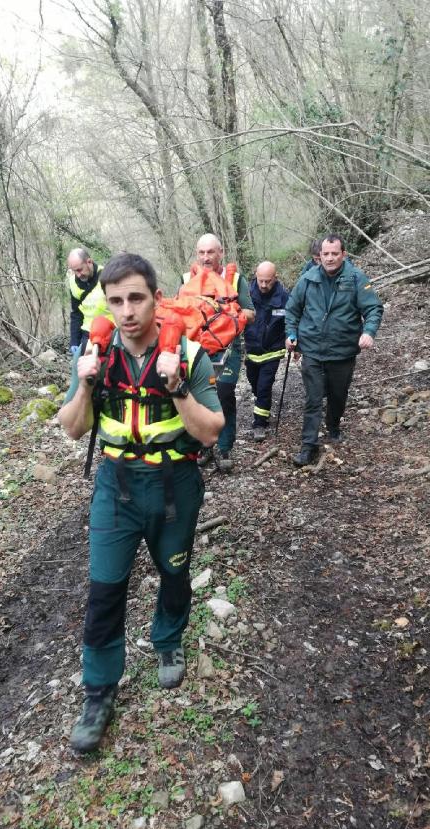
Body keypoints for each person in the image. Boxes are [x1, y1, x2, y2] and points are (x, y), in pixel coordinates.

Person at [58, 252, 224, 753]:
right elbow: (71, 427)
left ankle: (168, 640)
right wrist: (85, 384)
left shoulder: (191, 356)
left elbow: (212, 432)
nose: (127, 311)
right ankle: (99, 690)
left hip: (175, 484)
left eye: (136, 298)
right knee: (104, 589)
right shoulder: (95, 354)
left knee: (174, 571)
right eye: (116, 302)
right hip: (115, 484)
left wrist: (174, 387)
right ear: (106, 306)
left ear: (156, 298)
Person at [285, 234, 383, 467]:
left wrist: (368, 332)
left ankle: (334, 425)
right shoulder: (307, 279)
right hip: (312, 350)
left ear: (343, 255)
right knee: (313, 398)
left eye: (334, 254)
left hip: (343, 351)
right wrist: (291, 335)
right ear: (320, 256)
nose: (329, 258)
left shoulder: (357, 278)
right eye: (325, 254)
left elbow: (373, 308)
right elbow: (292, 310)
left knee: (338, 395)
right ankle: (308, 446)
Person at [181, 233, 255, 472]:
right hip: (196, 349)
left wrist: (226, 313)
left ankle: (225, 447)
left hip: (228, 349)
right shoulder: (186, 280)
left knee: (223, 392)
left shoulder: (235, 280)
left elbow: (251, 313)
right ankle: (205, 446)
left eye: (210, 252)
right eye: (201, 253)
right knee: (198, 395)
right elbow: (176, 313)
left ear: (220, 253)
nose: (206, 257)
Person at [244, 261, 289, 441]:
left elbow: (291, 321)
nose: (263, 285)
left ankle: (260, 423)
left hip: (273, 351)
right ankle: (262, 401)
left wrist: (293, 339)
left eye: (268, 281)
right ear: (255, 275)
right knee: (254, 383)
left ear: (275, 278)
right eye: (260, 280)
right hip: (252, 351)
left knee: (264, 386)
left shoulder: (284, 298)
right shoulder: (246, 294)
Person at [67, 248, 112, 354]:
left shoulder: (108, 276)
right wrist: (74, 341)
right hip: (88, 334)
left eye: (79, 270)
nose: (78, 275)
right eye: (74, 271)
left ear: (89, 262)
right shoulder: (73, 283)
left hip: (110, 331)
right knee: (81, 367)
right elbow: (76, 314)